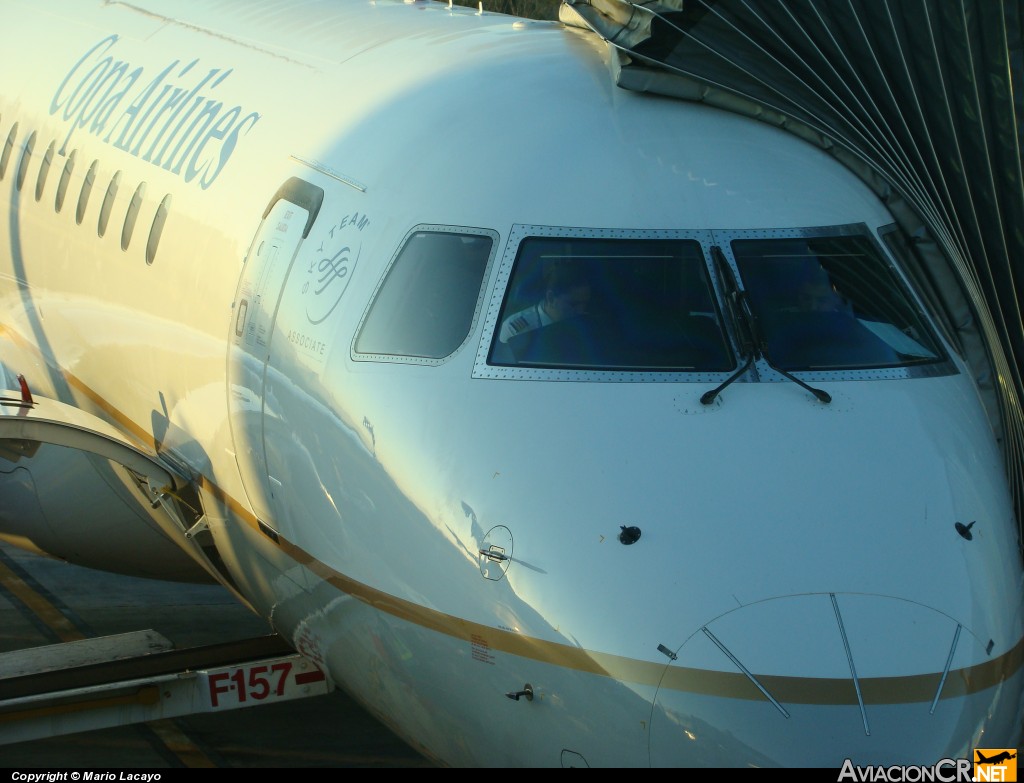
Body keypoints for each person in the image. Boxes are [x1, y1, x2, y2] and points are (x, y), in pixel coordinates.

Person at [499, 259, 592, 343]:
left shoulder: (585, 324)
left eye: (585, 304)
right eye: (573, 304)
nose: (581, 311)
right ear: (551, 298)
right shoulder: (515, 330)